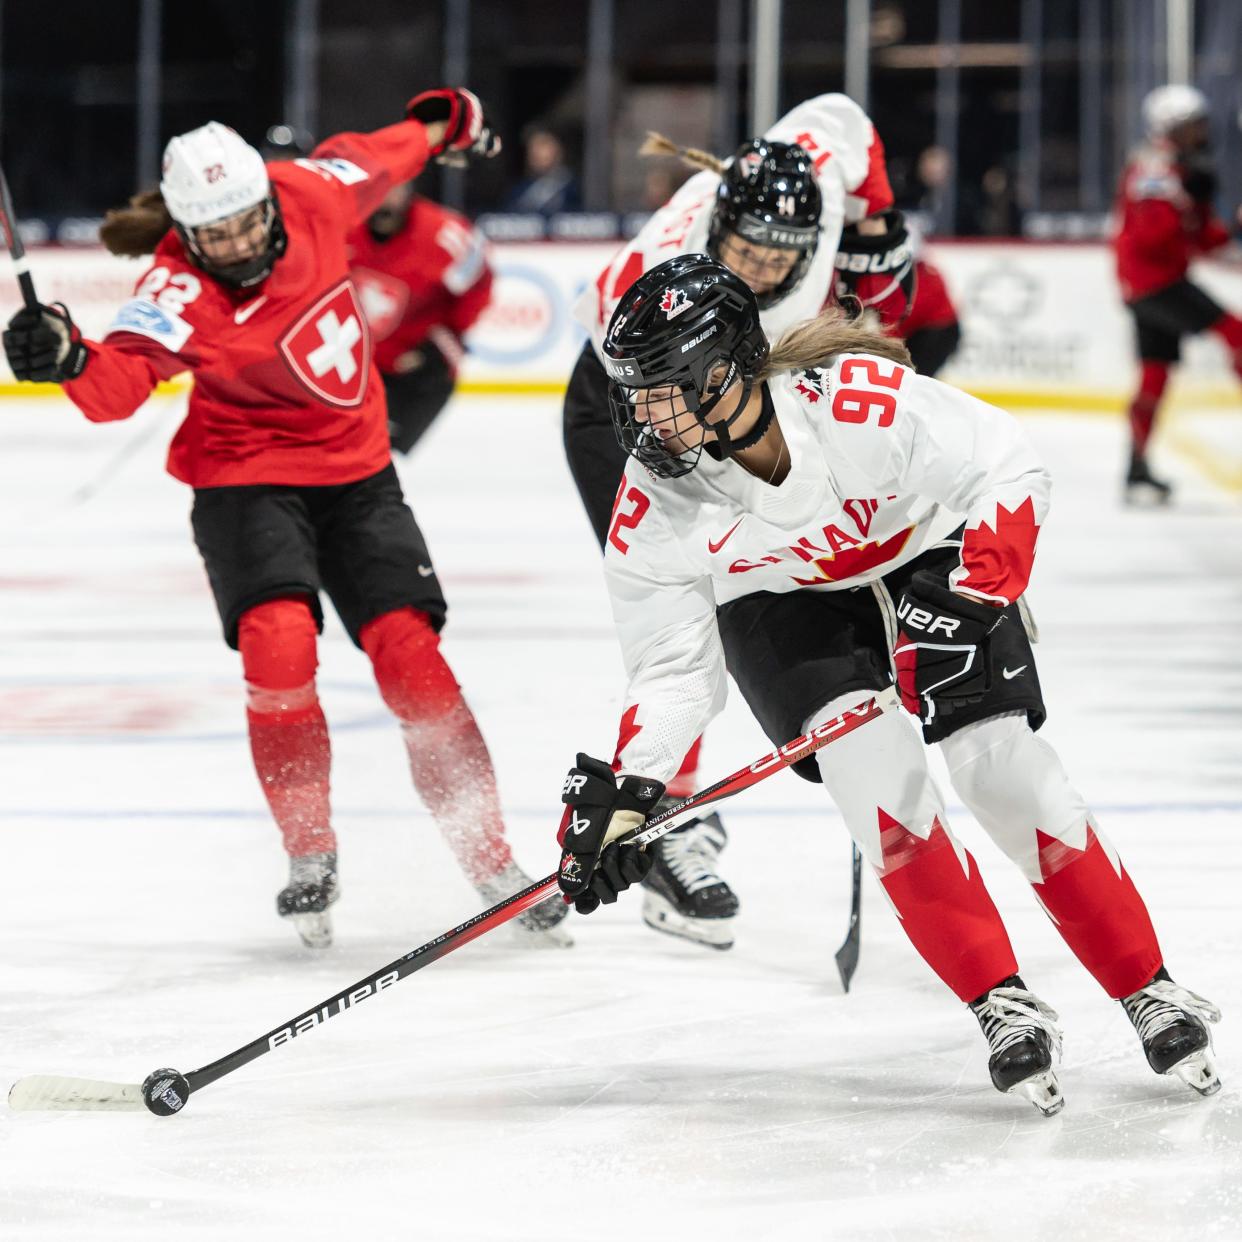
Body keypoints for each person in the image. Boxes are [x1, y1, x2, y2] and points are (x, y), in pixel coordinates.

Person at [554, 253, 1221, 1113]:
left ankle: (1148, 985)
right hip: (779, 604)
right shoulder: (655, 503)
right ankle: (1001, 1003)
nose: (644, 420)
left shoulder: (857, 404)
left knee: (997, 765)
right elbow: (672, 668)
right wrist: (633, 787)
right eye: (636, 395)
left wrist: (975, 589)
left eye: (662, 391)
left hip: (931, 563)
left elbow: (1010, 467)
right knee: (879, 785)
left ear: (722, 372)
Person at [2, 92, 570, 952]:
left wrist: (450, 120)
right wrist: (70, 356)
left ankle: (493, 860)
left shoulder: (310, 189)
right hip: (242, 482)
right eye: (212, 236)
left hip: (357, 474)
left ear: (268, 200)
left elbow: (390, 149)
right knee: (279, 647)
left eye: (244, 224)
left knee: (415, 664)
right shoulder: (175, 289)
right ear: (188, 234)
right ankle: (310, 852)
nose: (234, 247)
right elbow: (118, 387)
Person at [562, 93, 913, 950]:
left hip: (726, 403)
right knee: (695, 616)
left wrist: (874, 224)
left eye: (773, 254)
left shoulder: (811, 179)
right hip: (640, 414)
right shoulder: (649, 271)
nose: (756, 267)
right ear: (715, 225)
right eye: (741, 250)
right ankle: (663, 822)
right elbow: (658, 418)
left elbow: (846, 119)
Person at [1113, 84, 1242, 504]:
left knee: (1155, 373)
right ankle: (1136, 466)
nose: (1202, 132)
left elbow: (1203, 239)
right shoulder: (1157, 170)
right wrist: (1192, 208)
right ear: (1171, 128)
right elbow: (1157, 235)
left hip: (1147, 282)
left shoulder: (1179, 168)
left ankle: (1136, 468)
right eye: (1193, 125)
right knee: (1236, 333)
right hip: (1156, 282)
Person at [347, 179, 493, 454]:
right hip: (351, 363)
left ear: (409, 190)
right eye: (376, 191)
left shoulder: (444, 235)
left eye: (392, 190)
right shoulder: (340, 225)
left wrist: (446, 335)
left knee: (382, 456)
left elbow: (479, 285)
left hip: (409, 366)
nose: (384, 201)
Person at [896, 254, 961, 378]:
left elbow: (907, 315)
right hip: (927, 332)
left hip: (938, 332)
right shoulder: (924, 273)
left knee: (916, 377)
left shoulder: (924, 277)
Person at [501, 125, 581, 217]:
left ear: (557, 150)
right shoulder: (519, 190)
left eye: (543, 145)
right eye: (532, 147)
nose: (536, 152)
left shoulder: (572, 189)